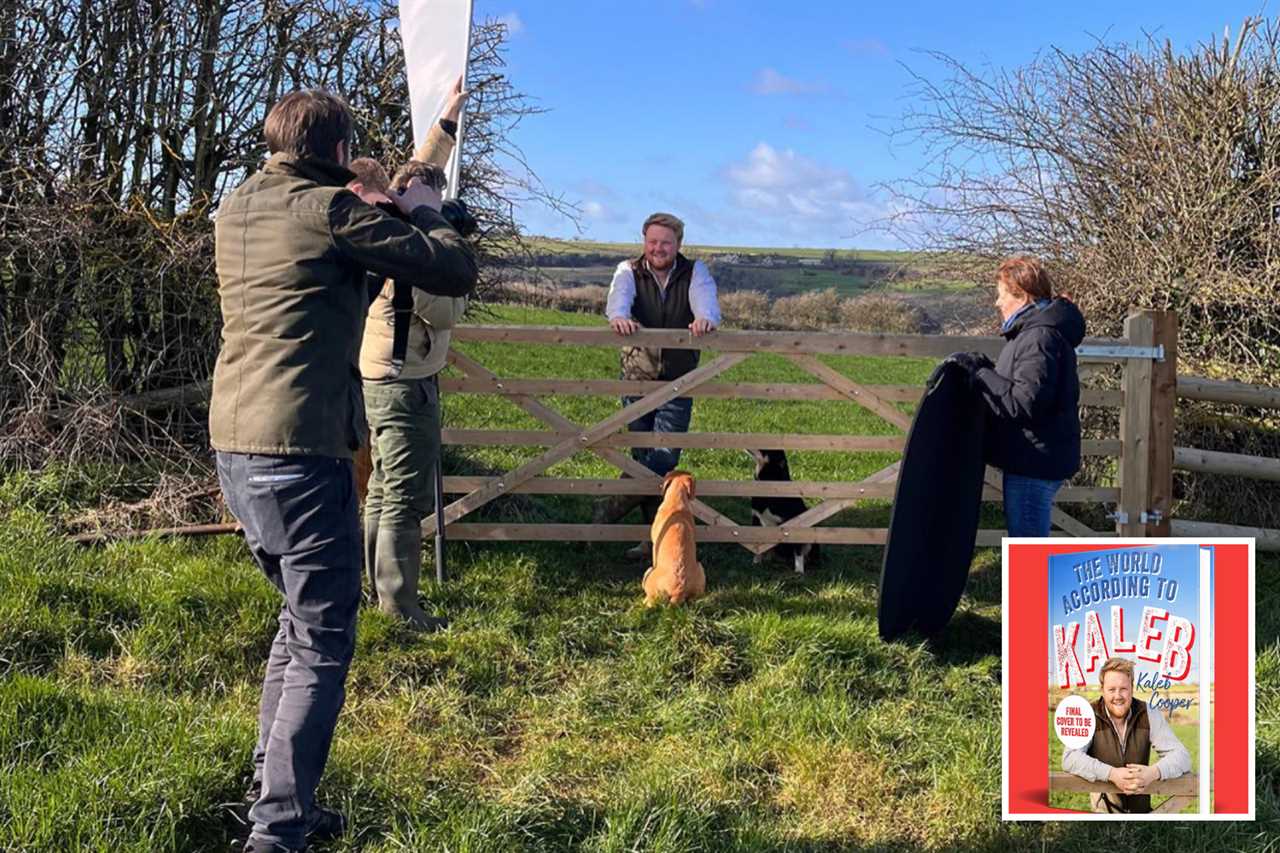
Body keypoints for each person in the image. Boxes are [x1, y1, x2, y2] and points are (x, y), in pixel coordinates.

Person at [211, 88, 477, 853]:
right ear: (335, 153)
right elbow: (450, 268)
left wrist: (441, 132)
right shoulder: (326, 211)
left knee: (299, 625)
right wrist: (426, 205)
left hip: (236, 445)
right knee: (325, 638)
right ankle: (278, 829)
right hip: (300, 450)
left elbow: (376, 196)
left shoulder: (240, 205)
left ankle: (276, 793)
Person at [357, 81, 471, 631]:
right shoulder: (408, 250)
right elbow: (447, 312)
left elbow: (416, 176)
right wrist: (446, 233)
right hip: (406, 379)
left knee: (382, 486)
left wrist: (447, 121)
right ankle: (399, 607)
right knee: (403, 494)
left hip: (382, 374)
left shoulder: (384, 223)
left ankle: (373, 589)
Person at [594, 212, 720, 559]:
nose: (658, 248)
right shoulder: (628, 271)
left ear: (678, 244)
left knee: (663, 457)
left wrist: (704, 319)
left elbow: (707, 305)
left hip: (679, 379)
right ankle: (651, 542)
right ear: (644, 242)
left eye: (665, 242)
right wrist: (618, 317)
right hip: (637, 377)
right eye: (652, 241)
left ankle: (608, 509)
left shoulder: (696, 272)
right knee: (640, 457)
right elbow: (617, 302)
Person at [948, 256, 1084, 537]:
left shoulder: (1039, 338)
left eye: (1001, 295)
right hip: (1035, 458)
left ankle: (1037, 584)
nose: (997, 303)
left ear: (1022, 296)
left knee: (1029, 556)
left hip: (1034, 463)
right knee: (1029, 550)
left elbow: (1024, 403)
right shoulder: (1035, 333)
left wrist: (982, 371)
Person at [1062, 657, 1192, 813]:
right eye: (1111, 689)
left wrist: (1153, 772)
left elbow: (1182, 756)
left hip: (1142, 815)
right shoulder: (1088, 714)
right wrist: (1111, 774)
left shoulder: (1149, 713)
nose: (1118, 696)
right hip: (1103, 817)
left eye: (1123, 688)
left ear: (1132, 688)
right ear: (1102, 689)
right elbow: (1070, 757)